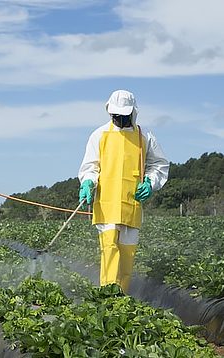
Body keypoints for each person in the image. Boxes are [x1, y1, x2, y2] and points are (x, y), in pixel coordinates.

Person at [78, 89, 169, 293]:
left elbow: (159, 165)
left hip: (131, 204)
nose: (119, 119)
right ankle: (107, 297)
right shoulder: (99, 135)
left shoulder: (144, 136)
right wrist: (88, 183)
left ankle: (121, 298)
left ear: (132, 113)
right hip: (107, 205)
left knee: (127, 256)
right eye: (115, 115)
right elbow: (90, 166)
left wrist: (150, 183)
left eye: (123, 115)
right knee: (109, 250)